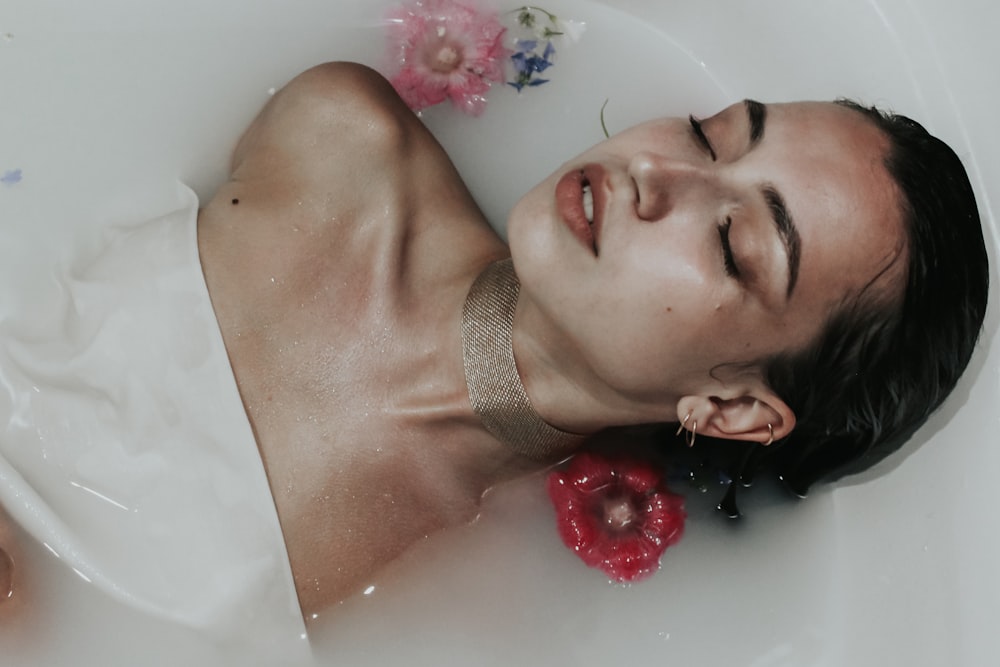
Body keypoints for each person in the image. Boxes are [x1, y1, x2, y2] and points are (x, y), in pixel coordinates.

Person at [0, 61, 989, 623]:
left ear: (729, 408)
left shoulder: (475, 597)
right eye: (709, 132)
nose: (656, 172)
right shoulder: (339, 138)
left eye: (732, 241)